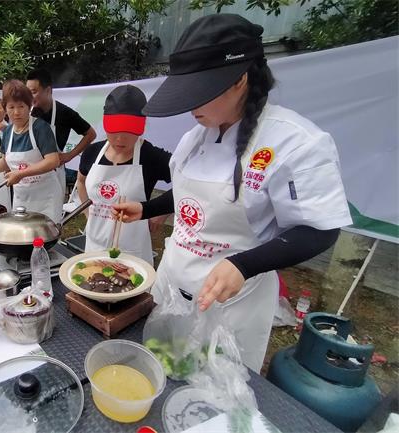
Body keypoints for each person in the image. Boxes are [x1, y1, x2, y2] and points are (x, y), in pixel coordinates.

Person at [113, 14, 353, 372]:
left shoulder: (294, 142)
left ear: (239, 79)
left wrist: (243, 265)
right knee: (159, 374)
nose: (190, 105)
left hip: (231, 305)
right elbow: (192, 199)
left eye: (198, 93)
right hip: (172, 288)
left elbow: (319, 229)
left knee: (213, 389)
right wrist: (146, 208)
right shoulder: (194, 138)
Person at [77, 85, 171, 265]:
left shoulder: (152, 156)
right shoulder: (92, 152)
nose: (120, 139)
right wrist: (88, 215)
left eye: (129, 130)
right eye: (114, 129)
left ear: (142, 126)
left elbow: (187, 184)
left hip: (133, 252)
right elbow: (81, 182)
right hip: (94, 246)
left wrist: (161, 212)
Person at [0, 80, 61, 222]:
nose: (16, 112)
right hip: (21, 198)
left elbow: (53, 161)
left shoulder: (40, 128)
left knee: (44, 234)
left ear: (29, 106)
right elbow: (6, 162)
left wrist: (21, 174)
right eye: (11, 107)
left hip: (46, 198)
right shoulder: (8, 131)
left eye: (21, 106)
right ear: (5, 108)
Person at [26, 68, 97, 195]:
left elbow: (91, 134)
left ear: (48, 90)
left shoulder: (65, 113)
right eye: (27, 92)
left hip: (53, 175)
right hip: (29, 174)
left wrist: (70, 155)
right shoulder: (27, 112)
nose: (30, 97)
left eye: (34, 92)